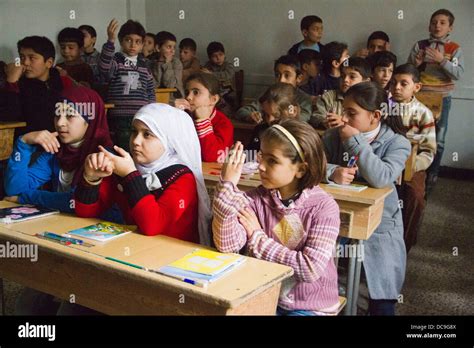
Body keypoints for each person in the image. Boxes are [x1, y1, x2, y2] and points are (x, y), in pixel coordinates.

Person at [213, 119, 340, 315]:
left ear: (301, 169)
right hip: (264, 294)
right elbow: (227, 245)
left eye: (272, 160)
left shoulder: (323, 207)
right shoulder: (256, 199)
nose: (261, 166)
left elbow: (309, 269)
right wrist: (226, 187)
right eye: (261, 157)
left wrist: (257, 238)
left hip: (309, 304)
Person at [323, 82, 411, 315]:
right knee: (323, 282)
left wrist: (355, 141)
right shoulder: (333, 137)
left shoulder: (397, 142)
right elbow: (310, 165)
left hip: (380, 224)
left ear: (375, 116)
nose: (344, 118)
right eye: (344, 111)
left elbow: (381, 177)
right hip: (336, 216)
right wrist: (332, 171)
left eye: (352, 113)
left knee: (382, 295)